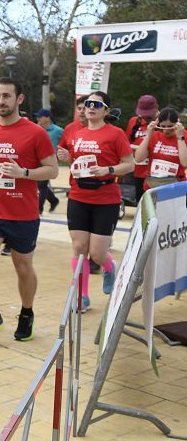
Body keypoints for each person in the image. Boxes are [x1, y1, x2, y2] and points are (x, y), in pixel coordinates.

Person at [0, 78, 58, 345]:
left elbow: (52, 169)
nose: (1, 102)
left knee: (23, 267)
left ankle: (27, 312)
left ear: (19, 99)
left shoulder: (35, 133)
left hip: (22, 213)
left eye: (6, 96)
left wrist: (25, 173)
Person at [56, 91, 134, 311]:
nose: (90, 107)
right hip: (79, 195)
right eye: (87, 103)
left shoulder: (116, 134)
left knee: (98, 253)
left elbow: (129, 164)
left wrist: (107, 169)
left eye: (96, 104)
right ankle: (82, 296)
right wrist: (67, 158)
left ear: (106, 110)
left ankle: (109, 268)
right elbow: (77, 162)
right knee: (79, 247)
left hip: (106, 197)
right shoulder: (76, 133)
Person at [134, 106, 187, 190]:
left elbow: (185, 163)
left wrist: (180, 137)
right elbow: (138, 158)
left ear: (177, 124)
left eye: (170, 127)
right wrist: (148, 135)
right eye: (163, 126)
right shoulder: (154, 135)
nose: (166, 130)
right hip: (153, 185)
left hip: (175, 186)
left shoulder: (184, 136)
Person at [126, 94, 158, 203]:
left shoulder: (164, 124)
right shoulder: (134, 122)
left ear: (156, 108)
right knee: (141, 205)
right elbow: (126, 143)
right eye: (143, 114)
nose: (145, 117)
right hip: (138, 171)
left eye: (148, 114)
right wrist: (139, 148)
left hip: (156, 173)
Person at [35, 109, 63, 213]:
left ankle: (39, 209)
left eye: (40, 117)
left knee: (42, 185)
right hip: (37, 161)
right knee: (41, 185)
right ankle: (54, 200)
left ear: (47, 118)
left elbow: (66, 142)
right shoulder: (37, 129)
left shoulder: (58, 130)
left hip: (50, 162)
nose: (37, 119)